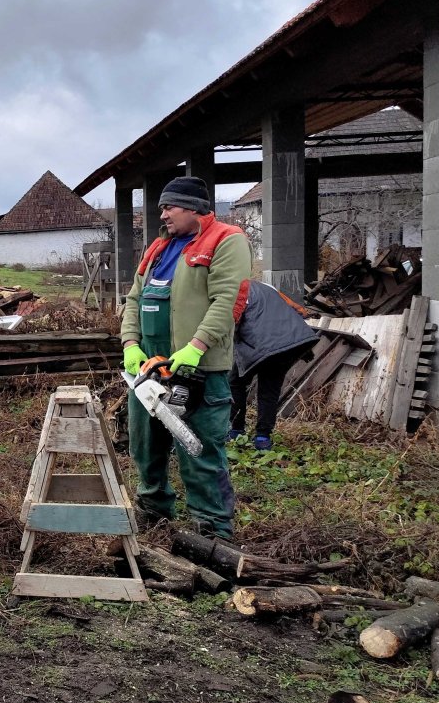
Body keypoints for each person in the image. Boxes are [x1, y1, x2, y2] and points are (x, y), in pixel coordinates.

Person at [120, 177, 252, 539]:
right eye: (162, 207)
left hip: (197, 372)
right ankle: (154, 513)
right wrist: (130, 343)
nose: (163, 214)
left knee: (200, 451)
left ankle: (211, 530)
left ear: (193, 208)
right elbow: (134, 299)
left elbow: (227, 301)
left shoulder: (226, 240)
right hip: (149, 371)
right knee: (145, 447)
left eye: (169, 207)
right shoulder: (159, 248)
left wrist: (197, 346)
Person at [230, 280, 318, 451]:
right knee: (269, 389)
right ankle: (263, 438)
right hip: (287, 345)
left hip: (259, 344)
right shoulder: (266, 286)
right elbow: (299, 310)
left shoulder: (235, 289)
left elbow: (233, 319)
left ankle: (236, 431)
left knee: (236, 382)